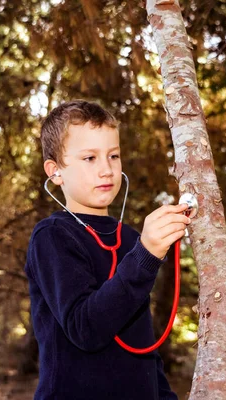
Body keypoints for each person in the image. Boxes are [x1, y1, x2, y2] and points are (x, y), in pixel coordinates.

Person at [24, 100, 190, 399]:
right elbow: (85, 328)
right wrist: (146, 255)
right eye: (89, 158)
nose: (106, 169)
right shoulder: (52, 237)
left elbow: (143, 345)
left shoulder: (130, 239)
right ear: (55, 172)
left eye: (113, 155)